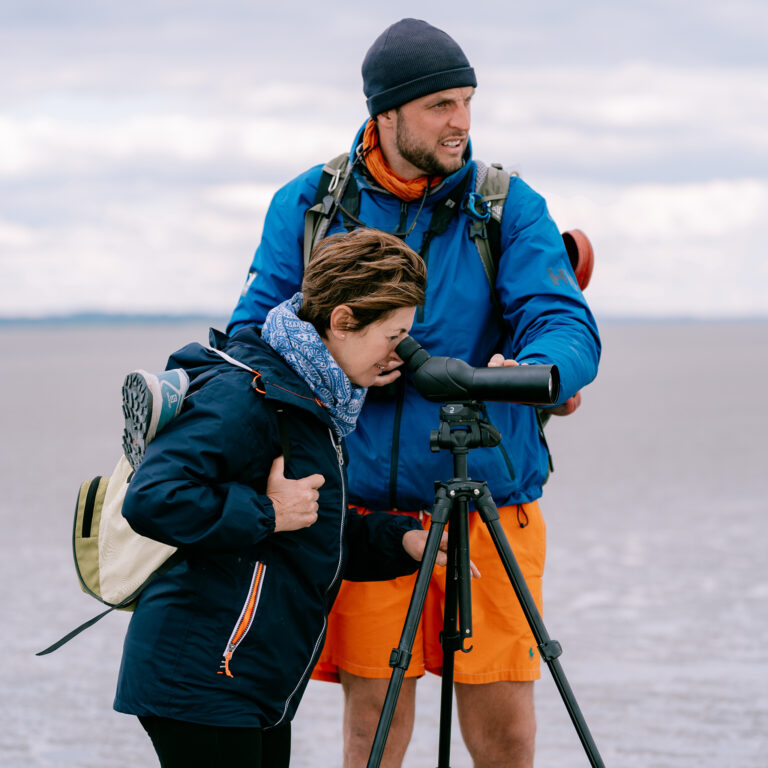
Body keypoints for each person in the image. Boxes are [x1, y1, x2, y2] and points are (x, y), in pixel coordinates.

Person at [228, 18, 601, 768]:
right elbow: (249, 342)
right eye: (439, 105)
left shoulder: (507, 206)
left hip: (493, 502)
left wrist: (538, 372)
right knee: (373, 724)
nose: (461, 121)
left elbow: (564, 320)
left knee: (505, 729)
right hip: (363, 510)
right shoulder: (310, 205)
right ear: (385, 113)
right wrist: (329, 369)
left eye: (466, 101)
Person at [113, 228, 441, 768]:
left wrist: (404, 541)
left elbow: (308, 529)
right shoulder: (247, 393)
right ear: (341, 320)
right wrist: (267, 512)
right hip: (201, 678)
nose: (401, 353)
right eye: (393, 334)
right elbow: (152, 497)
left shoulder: (313, 401)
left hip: (252, 679)